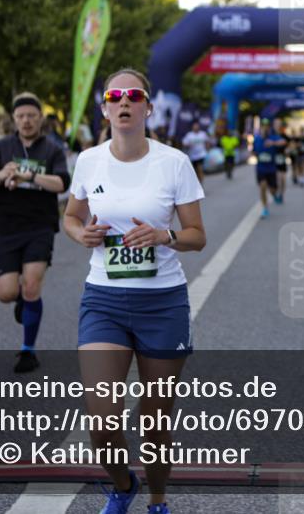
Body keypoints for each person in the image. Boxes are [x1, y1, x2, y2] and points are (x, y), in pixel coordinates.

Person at [63, 68, 205, 514]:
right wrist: (78, 234)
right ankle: (124, 486)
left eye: (134, 95)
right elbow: (71, 216)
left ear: (147, 106)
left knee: (155, 422)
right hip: (104, 299)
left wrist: (165, 237)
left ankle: (158, 500)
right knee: (102, 421)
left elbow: (197, 235)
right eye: (115, 95)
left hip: (162, 301)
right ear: (105, 108)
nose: (124, 102)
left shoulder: (174, 162)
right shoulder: (88, 161)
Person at [0, 92, 70, 373]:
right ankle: (24, 301)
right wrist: (2, 174)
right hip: (5, 227)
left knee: (32, 285)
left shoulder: (52, 150)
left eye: (32, 115)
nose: (26, 121)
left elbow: (61, 183)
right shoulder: (2, 147)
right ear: (14, 120)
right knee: (6, 293)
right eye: (21, 116)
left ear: (40, 118)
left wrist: (29, 176)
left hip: (38, 226)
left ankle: (28, 350)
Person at [253, 119, 284, 219]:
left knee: (272, 190)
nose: (265, 128)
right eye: (263, 126)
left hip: (271, 169)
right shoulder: (257, 139)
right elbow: (254, 151)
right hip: (261, 168)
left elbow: (283, 142)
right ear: (261, 127)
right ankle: (265, 208)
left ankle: (275, 194)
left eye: (267, 126)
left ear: (269, 128)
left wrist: (273, 143)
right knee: (262, 186)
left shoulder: (273, 137)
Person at [181, 120, 210, 185]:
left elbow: (207, 141)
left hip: (202, 154)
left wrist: (207, 149)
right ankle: (198, 182)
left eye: (197, 126)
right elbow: (184, 143)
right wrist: (188, 145)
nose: (196, 127)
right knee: (196, 171)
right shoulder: (189, 135)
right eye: (194, 126)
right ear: (192, 127)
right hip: (193, 156)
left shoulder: (203, 134)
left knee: (200, 168)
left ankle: (201, 182)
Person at [273, 120, 289, 202]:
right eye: (276, 124)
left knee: (283, 179)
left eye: (279, 125)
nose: (277, 126)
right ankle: (277, 193)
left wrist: (288, 151)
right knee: (278, 179)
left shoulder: (285, 136)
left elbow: (289, 145)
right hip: (273, 160)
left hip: (282, 159)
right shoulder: (271, 135)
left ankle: (281, 194)